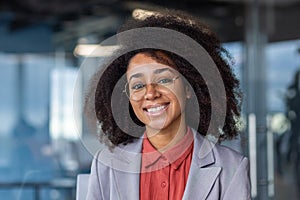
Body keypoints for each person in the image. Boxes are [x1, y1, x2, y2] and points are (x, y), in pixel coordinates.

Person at [84, 9, 251, 200]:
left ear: (189, 88)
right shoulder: (105, 165)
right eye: (138, 85)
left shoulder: (232, 167)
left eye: (163, 80)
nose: (150, 93)